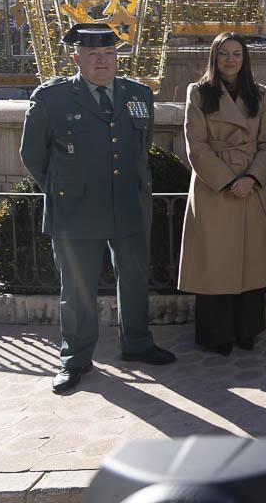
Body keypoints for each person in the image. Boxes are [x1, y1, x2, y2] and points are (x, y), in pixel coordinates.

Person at [19, 24, 175, 394]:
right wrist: (63, 190)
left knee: (135, 280)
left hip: (128, 205)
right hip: (75, 210)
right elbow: (32, 155)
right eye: (92, 55)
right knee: (77, 289)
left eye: (108, 54)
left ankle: (137, 343)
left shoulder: (137, 93)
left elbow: (141, 145)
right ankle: (75, 359)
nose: (102, 60)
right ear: (77, 59)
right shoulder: (51, 98)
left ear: (117, 58)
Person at [178, 33, 266, 355]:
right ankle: (217, 335)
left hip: (250, 187)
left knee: (251, 261)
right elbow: (195, 144)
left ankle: (246, 330)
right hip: (215, 190)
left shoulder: (260, 94)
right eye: (224, 53)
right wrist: (227, 181)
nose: (230, 60)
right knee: (215, 264)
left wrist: (251, 177)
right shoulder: (198, 93)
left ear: (245, 58)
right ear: (214, 57)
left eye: (237, 54)